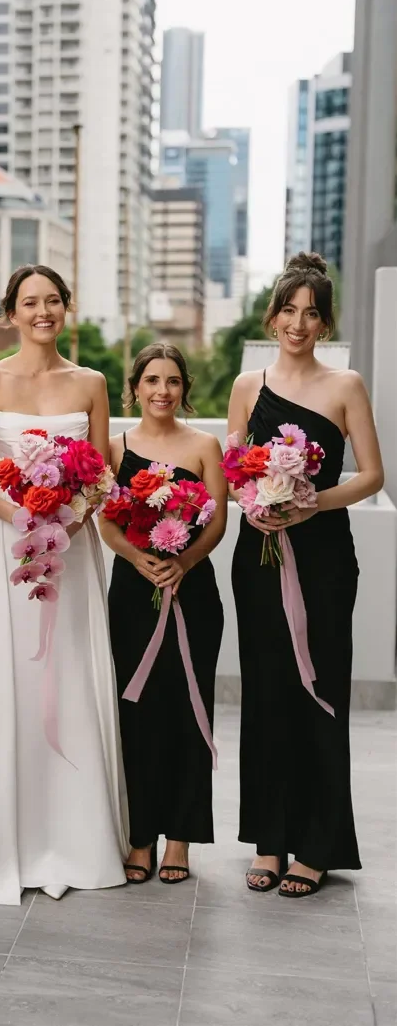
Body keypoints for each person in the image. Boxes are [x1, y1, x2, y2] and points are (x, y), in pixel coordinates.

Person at [0, 264, 128, 904]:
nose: (43, 311)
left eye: (53, 301)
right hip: (6, 556)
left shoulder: (90, 383)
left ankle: (71, 835)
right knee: (4, 680)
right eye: (30, 302)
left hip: (71, 551)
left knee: (66, 676)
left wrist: (68, 515)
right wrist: (23, 516)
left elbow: (99, 477)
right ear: (10, 312)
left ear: (67, 307)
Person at [229, 252, 383, 897]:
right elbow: (236, 465)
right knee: (265, 693)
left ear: (324, 324)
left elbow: (373, 476)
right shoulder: (246, 384)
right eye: (289, 310)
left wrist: (312, 500)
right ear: (272, 316)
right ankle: (268, 840)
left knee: (318, 688)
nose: (298, 323)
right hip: (258, 555)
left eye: (311, 313)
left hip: (322, 558)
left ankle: (316, 845)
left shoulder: (345, 386)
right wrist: (255, 503)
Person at [102, 344, 226, 885]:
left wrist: (184, 562)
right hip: (132, 591)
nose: (162, 390)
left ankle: (181, 838)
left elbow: (217, 522)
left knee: (187, 710)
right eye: (151, 379)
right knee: (138, 713)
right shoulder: (113, 447)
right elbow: (104, 522)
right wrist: (139, 558)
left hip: (192, 593)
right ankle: (140, 835)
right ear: (134, 387)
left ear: (185, 388)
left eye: (173, 381)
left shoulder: (204, 445)